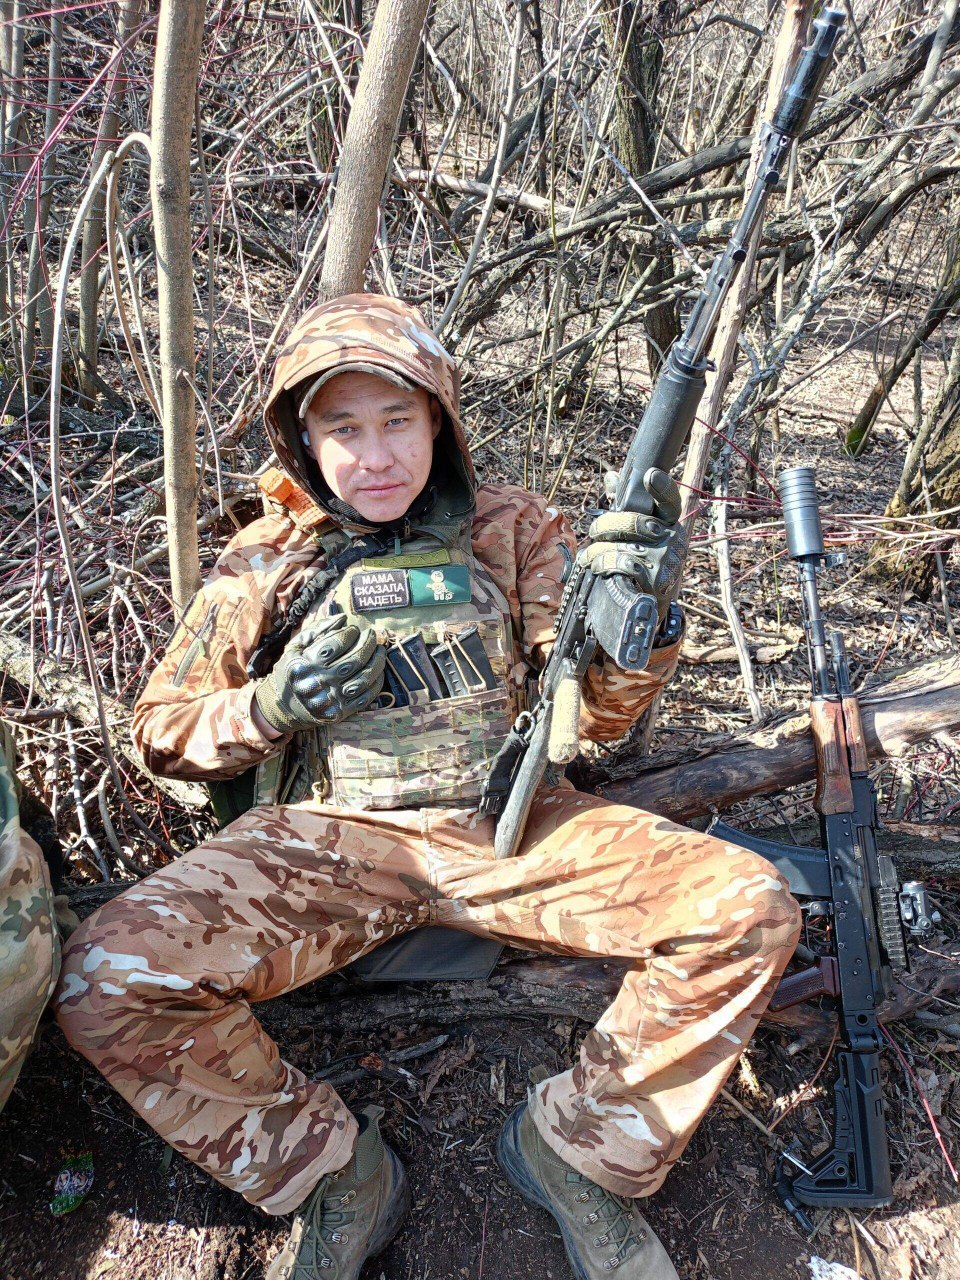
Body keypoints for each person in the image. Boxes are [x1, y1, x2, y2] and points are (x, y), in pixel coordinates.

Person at [55, 294, 801, 1280]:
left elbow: (596, 720)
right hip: (321, 841)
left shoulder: (515, 527)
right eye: (343, 430)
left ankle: (580, 1156)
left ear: (439, 425)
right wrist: (271, 704)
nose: (375, 457)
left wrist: (642, 622)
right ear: (303, 440)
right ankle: (332, 1172)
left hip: (515, 828)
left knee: (745, 909)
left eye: (397, 422)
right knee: (105, 977)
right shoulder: (269, 551)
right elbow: (162, 731)